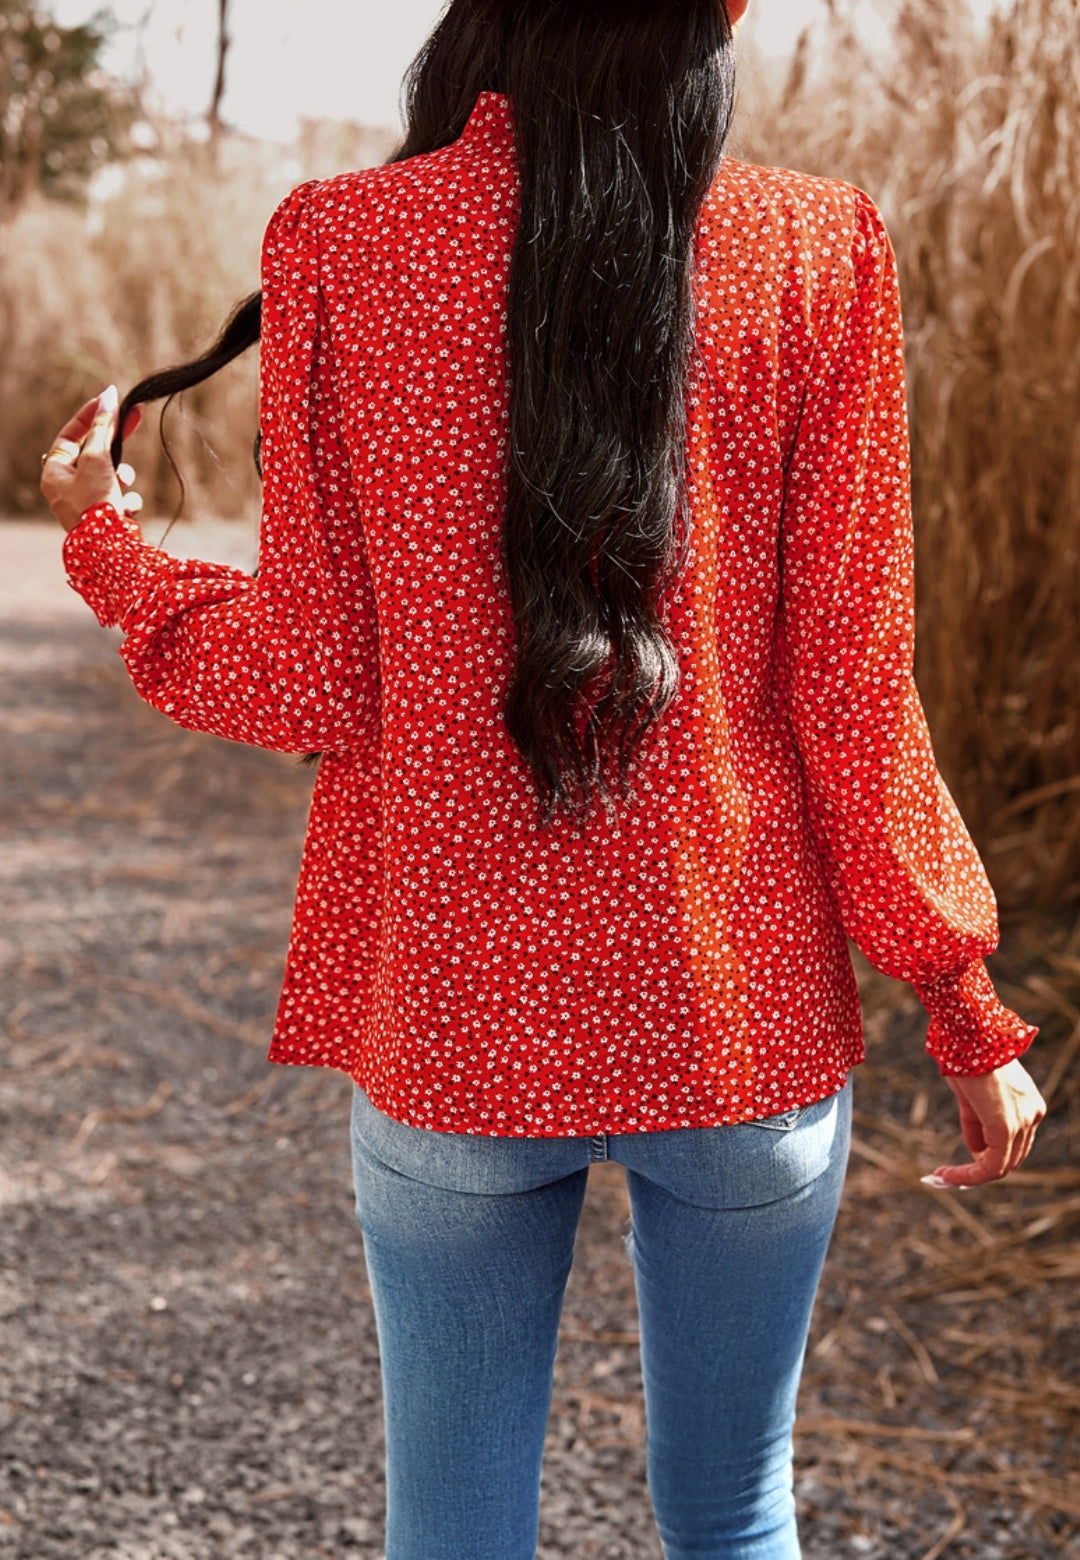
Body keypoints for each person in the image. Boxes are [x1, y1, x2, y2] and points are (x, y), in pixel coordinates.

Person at [41, 1, 1045, 1555]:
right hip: (740, 1024)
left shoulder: (342, 242)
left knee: (453, 1529)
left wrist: (109, 551)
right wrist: (960, 994)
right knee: (734, 1511)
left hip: (454, 1027)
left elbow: (311, 675)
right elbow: (851, 683)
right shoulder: (813, 246)